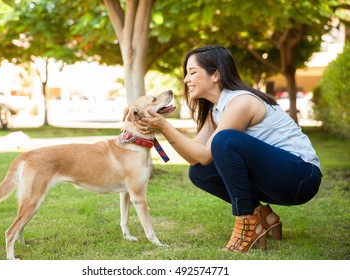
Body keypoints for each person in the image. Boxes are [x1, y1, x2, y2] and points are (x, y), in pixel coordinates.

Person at [135, 45, 322, 253]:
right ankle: (263, 216)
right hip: (279, 178)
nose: (186, 80)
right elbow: (196, 158)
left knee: (224, 140)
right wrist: (162, 128)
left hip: (301, 177)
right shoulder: (214, 110)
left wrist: (164, 125)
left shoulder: (241, 102)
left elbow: (207, 154)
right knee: (199, 173)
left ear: (215, 74)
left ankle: (246, 221)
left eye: (192, 72)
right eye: (186, 74)